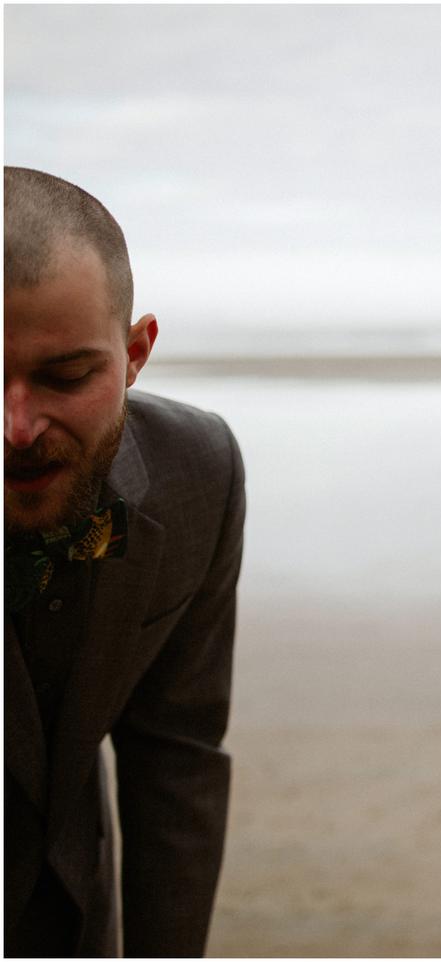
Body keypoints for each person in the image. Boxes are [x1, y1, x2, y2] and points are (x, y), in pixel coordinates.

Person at [4, 167, 245, 957]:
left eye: (66, 376)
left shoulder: (197, 473)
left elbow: (175, 761)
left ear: (136, 352)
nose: (17, 426)